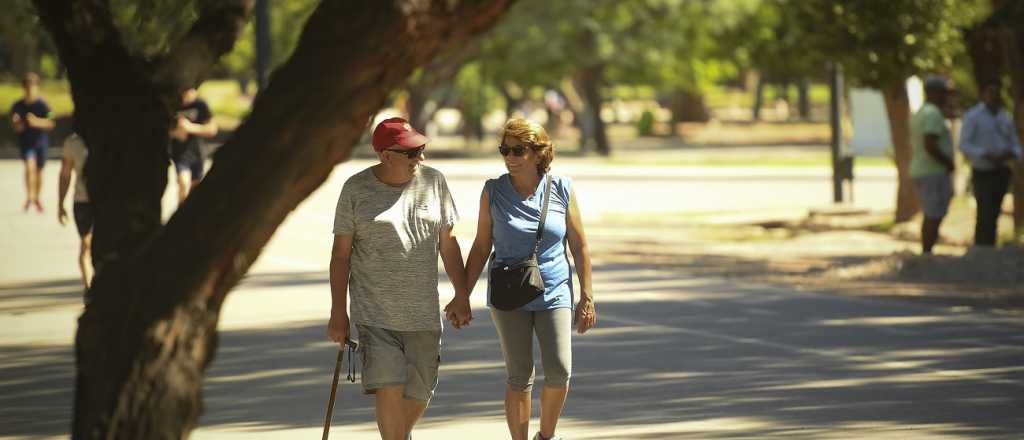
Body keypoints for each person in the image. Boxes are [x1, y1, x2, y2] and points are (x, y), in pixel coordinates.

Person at [450, 118, 596, 440]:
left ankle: (546, 435)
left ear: (538, 152)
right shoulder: (493, 191)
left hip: (554, 290)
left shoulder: (562, 189)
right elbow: (480, 245)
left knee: (559, 370)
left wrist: (587, 295)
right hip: (508, 293)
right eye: (505, 150)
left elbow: (579, 244)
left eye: (518, 150)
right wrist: (462, 294)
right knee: (519, 376)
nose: (510, 157)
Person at [326, 117, 469, 440]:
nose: (420, 158)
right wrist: (338, 312)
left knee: (419, 394)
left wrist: (462, 295)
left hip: (423, 316)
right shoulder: (356, 189)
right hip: (374, 316)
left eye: (421, 149)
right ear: (385, 155)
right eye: (411, 152)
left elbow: (448, 243)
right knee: (388, 388)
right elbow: (341, 255)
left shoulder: (434, 182)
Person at [959, 80, 1023, 247]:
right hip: (982, 170)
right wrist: (985, 154)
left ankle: (990, 245)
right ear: (984, 94)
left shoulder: (1004, 116)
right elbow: (964, 144)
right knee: (984, 211)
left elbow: (1015, 143)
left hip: (1001, 170)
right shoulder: (973, 116)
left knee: (994, 211)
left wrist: (1010, 154)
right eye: (990, 92)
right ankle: (981, 246)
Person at [910, 76, 957, 254]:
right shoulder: (932, 113)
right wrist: (948, 162)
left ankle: (927, 250)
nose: (946, 98)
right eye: (944, 93)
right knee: (933, 214)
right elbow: (930, 144)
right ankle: (927, 252)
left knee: (933, 212)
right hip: (932, 171)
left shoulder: (923, 111)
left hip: (924, 170)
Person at [9, 72, 55, 212]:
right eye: (28, 87)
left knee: (39, 171)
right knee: (29, 167)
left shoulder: (44, 105)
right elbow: (16, 127)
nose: (30, 90)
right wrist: (17, 124)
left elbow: (51, 122)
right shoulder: (17, 106)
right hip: (26, 143)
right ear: (24, 88)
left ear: (37, 87)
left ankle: (37, 198)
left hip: (41, 142)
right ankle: (29, 197)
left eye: (33, 87)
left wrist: (36, 122)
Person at [57, 131, 94, 290]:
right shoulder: (72, 142)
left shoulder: (112, 135)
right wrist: (60, 203)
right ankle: (89, 288)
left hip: (107, 201)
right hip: (82, 201)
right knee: (86, 244)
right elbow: (65, 175)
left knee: (102, 246)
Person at [168, 86, 217, 204]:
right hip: (180, 154)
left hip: (198, 153)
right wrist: (175, 133)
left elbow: (212, 129)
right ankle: (180, 215)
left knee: (195, 189)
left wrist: (191, 128)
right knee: (183, 184)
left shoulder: (200, 105)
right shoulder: (173, 105)